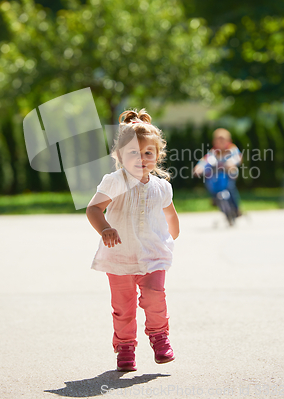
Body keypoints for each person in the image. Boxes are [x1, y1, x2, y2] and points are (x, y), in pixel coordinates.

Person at [86, 108, 179, 372]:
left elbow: (170, 214)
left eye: (148, 153)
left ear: (157, 155)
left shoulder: (162, 186)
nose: (141, 158)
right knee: (123, 307)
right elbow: (93, 209)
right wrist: (105, 229)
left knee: (154, 297)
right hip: (119, 258)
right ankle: (125, 347)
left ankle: (160, 338)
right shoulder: (115, 181)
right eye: (133, 153)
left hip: (152, 255)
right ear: (119, 155)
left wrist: (173, 234)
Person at [193, 128, 242, 216]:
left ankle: (236, 208)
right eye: (217, 140)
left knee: (231, 187)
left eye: (222, 140)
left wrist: (232, 162)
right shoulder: (213, 152)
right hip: (216, 174)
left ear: (228, 140)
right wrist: (199, 167)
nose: (220, 142)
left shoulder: (232, 149)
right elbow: (205, 160)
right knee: (209, 181)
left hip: (229, 174)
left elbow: (238, 157)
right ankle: (214, 197)